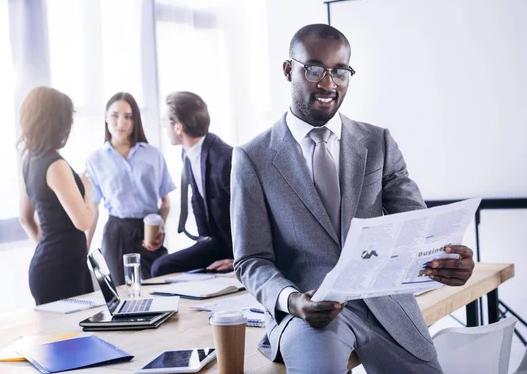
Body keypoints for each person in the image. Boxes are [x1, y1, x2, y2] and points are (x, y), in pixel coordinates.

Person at [230, 24, 476, 373]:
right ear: (289, 70)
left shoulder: (378, 143)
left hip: (388, 309)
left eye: (340, 71)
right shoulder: (252, 158)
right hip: (311, 315)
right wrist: (292, 300)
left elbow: (418, 230)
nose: (329, 84)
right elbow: (251, 260)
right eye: (314, 69)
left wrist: (448, 260)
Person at [86, 92, 175, 283]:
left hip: (149, 230)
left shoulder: (153, 155)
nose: (121, 123)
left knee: (160, 287)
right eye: (115, 115)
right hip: (116, 233)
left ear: (136, 120)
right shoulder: (95, 160)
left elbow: (165, 202)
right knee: (123, 297)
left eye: (128, 117)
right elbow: (93, 209)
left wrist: (159, 228)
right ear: (105, 116)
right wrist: (84, 248)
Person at [17, 86, 95, 306]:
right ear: (54, 122)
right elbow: (83, 222)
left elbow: (24, 218)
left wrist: (47, 247)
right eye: (68, 118)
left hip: (47, 267)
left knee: (61, 339)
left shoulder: (30, 159)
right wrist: (86, 190)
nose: (71, 124)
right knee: (75, 337)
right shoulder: (56, 165)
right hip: (63, 270)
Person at [151, 92, 234, 277]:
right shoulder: (188, 153)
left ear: (178, 128)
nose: (164, 128)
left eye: (165, 123)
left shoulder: (225, 160)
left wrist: (242, 260)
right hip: (214, 242)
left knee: (160, 268)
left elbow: (254, 216)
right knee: (160, 267)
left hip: (235, 248)